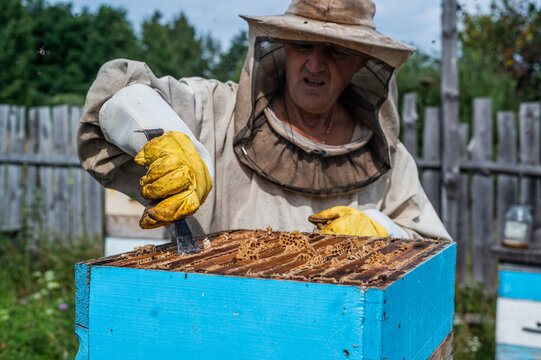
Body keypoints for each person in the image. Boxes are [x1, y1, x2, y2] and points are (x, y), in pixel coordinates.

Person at [77, 0, 451, 241]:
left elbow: (431, 251)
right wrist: (169, 136)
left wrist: (382, 230)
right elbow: (119, 95)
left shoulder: (387, 157)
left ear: (361, 62)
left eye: (337, 51)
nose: (316, 65)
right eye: (303, 45)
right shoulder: (214, 111)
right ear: (282, 46)